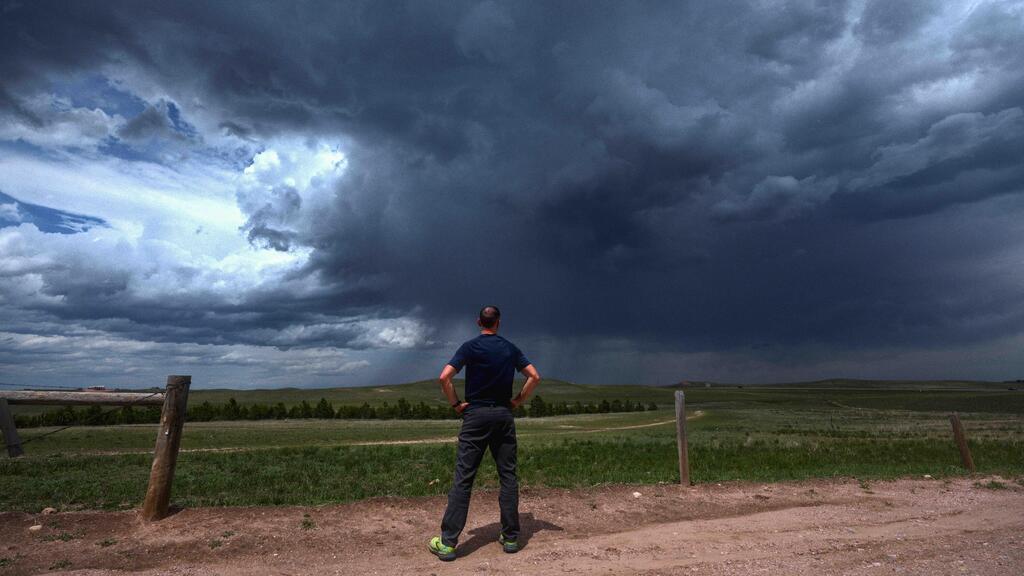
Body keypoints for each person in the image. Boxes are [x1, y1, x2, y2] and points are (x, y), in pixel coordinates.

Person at [428, 305, 541, 561]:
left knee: (464, 478)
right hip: (503, 415)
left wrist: (457, 405)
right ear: (498, 322)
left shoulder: (470, 347)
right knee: (508, 476)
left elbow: (444, 377)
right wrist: (516, 402)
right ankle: (511, 537)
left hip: (475, 417)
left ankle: (447, 543)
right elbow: (534, 376)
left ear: (479, 322)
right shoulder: (510, 348)